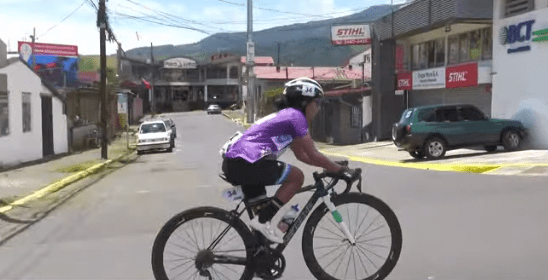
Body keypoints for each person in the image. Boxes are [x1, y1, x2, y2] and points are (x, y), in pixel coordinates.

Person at [221, 77, 354, 243]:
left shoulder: (288, 118)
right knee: (297, 177)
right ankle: (262, 221)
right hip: (246, 163)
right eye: (317, 102)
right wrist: (339, 170)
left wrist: (333, 165)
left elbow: (302, 156)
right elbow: (313, 154)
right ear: (305, 102)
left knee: (262, 234)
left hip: (239, 163)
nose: (319, 108)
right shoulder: (296, 117)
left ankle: (259, 263)